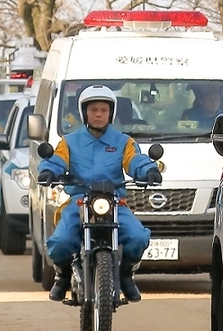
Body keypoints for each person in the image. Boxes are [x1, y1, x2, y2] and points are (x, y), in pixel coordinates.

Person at [38, 84, 161, 304]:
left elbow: (135, 160)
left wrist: (148, 170)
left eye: (104, 110)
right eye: (93, 109)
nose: (98, 114)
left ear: (111, 113)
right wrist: (48, 171)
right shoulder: (69, 142)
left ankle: (126, 275)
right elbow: (57, 160)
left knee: (138, 236)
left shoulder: (124, 142)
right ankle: (63, 275)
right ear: (84, 112)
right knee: (60, 241)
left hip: (115, 202)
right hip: (79, 202)